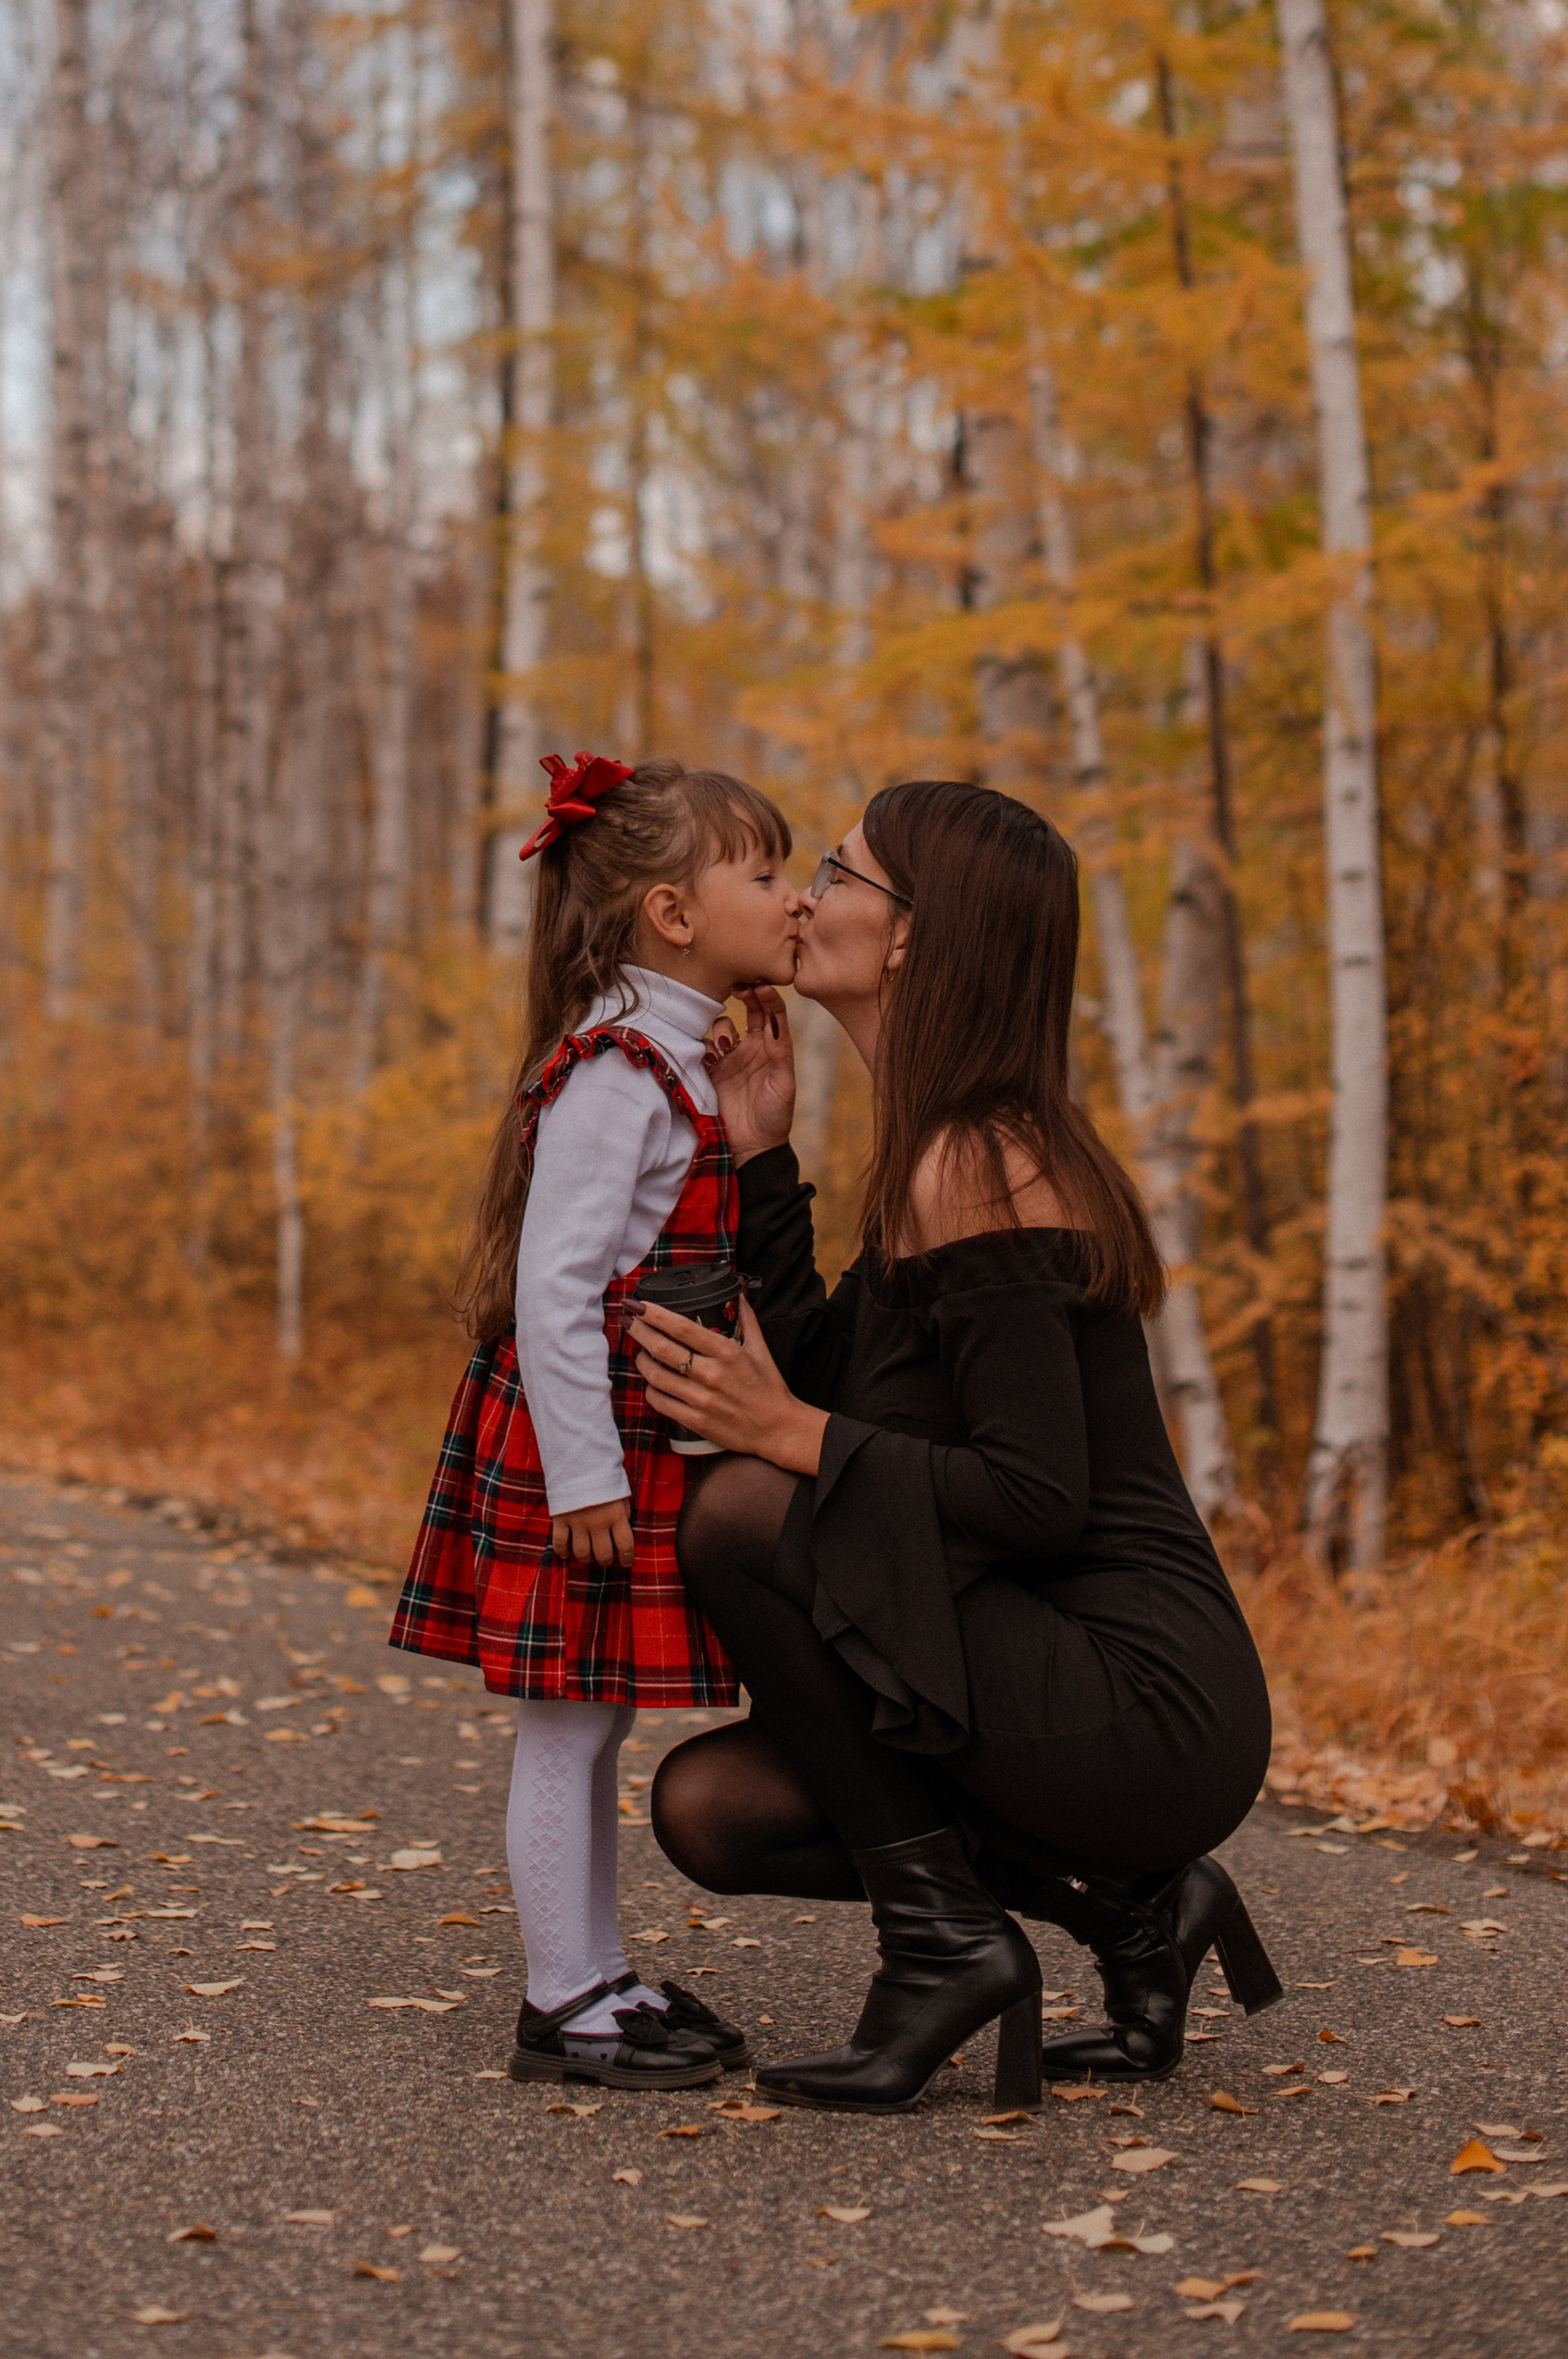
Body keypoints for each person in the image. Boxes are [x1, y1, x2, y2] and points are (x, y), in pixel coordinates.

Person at [628, 777, 1278, 2115]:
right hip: (1040, 1656)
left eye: (836, 872)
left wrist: (784, 1430)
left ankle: (945, 1951)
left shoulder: (985, 1162)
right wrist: (764, 1160)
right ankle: (1136, 1912)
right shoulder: (938, 1144)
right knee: (714, 1807)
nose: (804, 898)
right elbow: (839, 1390)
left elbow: (1035, 1499)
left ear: (912, 933)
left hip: (1142, 1694)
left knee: (741, 1512)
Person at [389, 750, 801, 2091]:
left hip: (626, 1438)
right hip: (585, 1446)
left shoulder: (675, 1057)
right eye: (765, 874)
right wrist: (583, 1478)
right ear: (672, 914)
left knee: (596, 1720)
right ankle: (562, 1999)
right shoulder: (618, 1070)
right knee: (566, 1726)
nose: (793, 899)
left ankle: (602, 1974)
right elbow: (554, 1288)